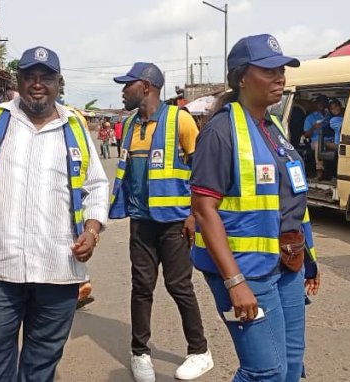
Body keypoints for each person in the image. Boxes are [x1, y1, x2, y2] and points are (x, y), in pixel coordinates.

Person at [0, 46, 109, 381]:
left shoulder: (76, 127)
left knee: (42, 361)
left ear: (59, 83)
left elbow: (97, 185)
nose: (37, 84)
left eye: (46, 77)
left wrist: (93, 230)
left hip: (58, 267)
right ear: (19, 80)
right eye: (30, 76)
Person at [190, 34, 321, 382]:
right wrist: (235, 282)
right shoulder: (220, 132)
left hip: (287, 261)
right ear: (241, 77)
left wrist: (308, 258)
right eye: (268, 70)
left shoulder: (274, 127)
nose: (280, 77)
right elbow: (204, 209)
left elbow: (291, 199)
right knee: (267, 372)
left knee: (291, 365)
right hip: (246, 271)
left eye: (281, 69)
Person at [111, 62, 212, 382]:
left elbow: (201, 172)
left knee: (179, 285)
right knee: (141, 287)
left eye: (128, 85)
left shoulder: (179, 120)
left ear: (146, 87)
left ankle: (200, 351)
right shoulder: (129, 125)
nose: (123, 91)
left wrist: (195, 215)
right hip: (141, 220)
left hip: (174, 221)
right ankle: (139, 353)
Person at [302, 96, 328, 179]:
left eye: (324, 102)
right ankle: (319, 170)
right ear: (316, 104)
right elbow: (306, 135)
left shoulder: (330, 115)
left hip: (330, 140)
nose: (322, 104)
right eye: (320, 102)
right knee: (318, 145)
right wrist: (314, 127)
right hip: (315, 141)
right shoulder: (310, 117)